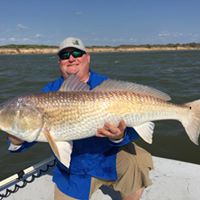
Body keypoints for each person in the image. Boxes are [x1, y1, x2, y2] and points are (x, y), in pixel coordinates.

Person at [8, 37, 153, 200]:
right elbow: (32, 133)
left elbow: (134, 128)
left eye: (77, 53)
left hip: (108, 157)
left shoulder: (107, 87)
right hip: (73, 171)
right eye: (65, 55)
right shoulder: (46, 94)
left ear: (87, 57)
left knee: (137, 160)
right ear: (59, 62)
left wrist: (119, 137)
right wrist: (16, 139)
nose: (71, 58)